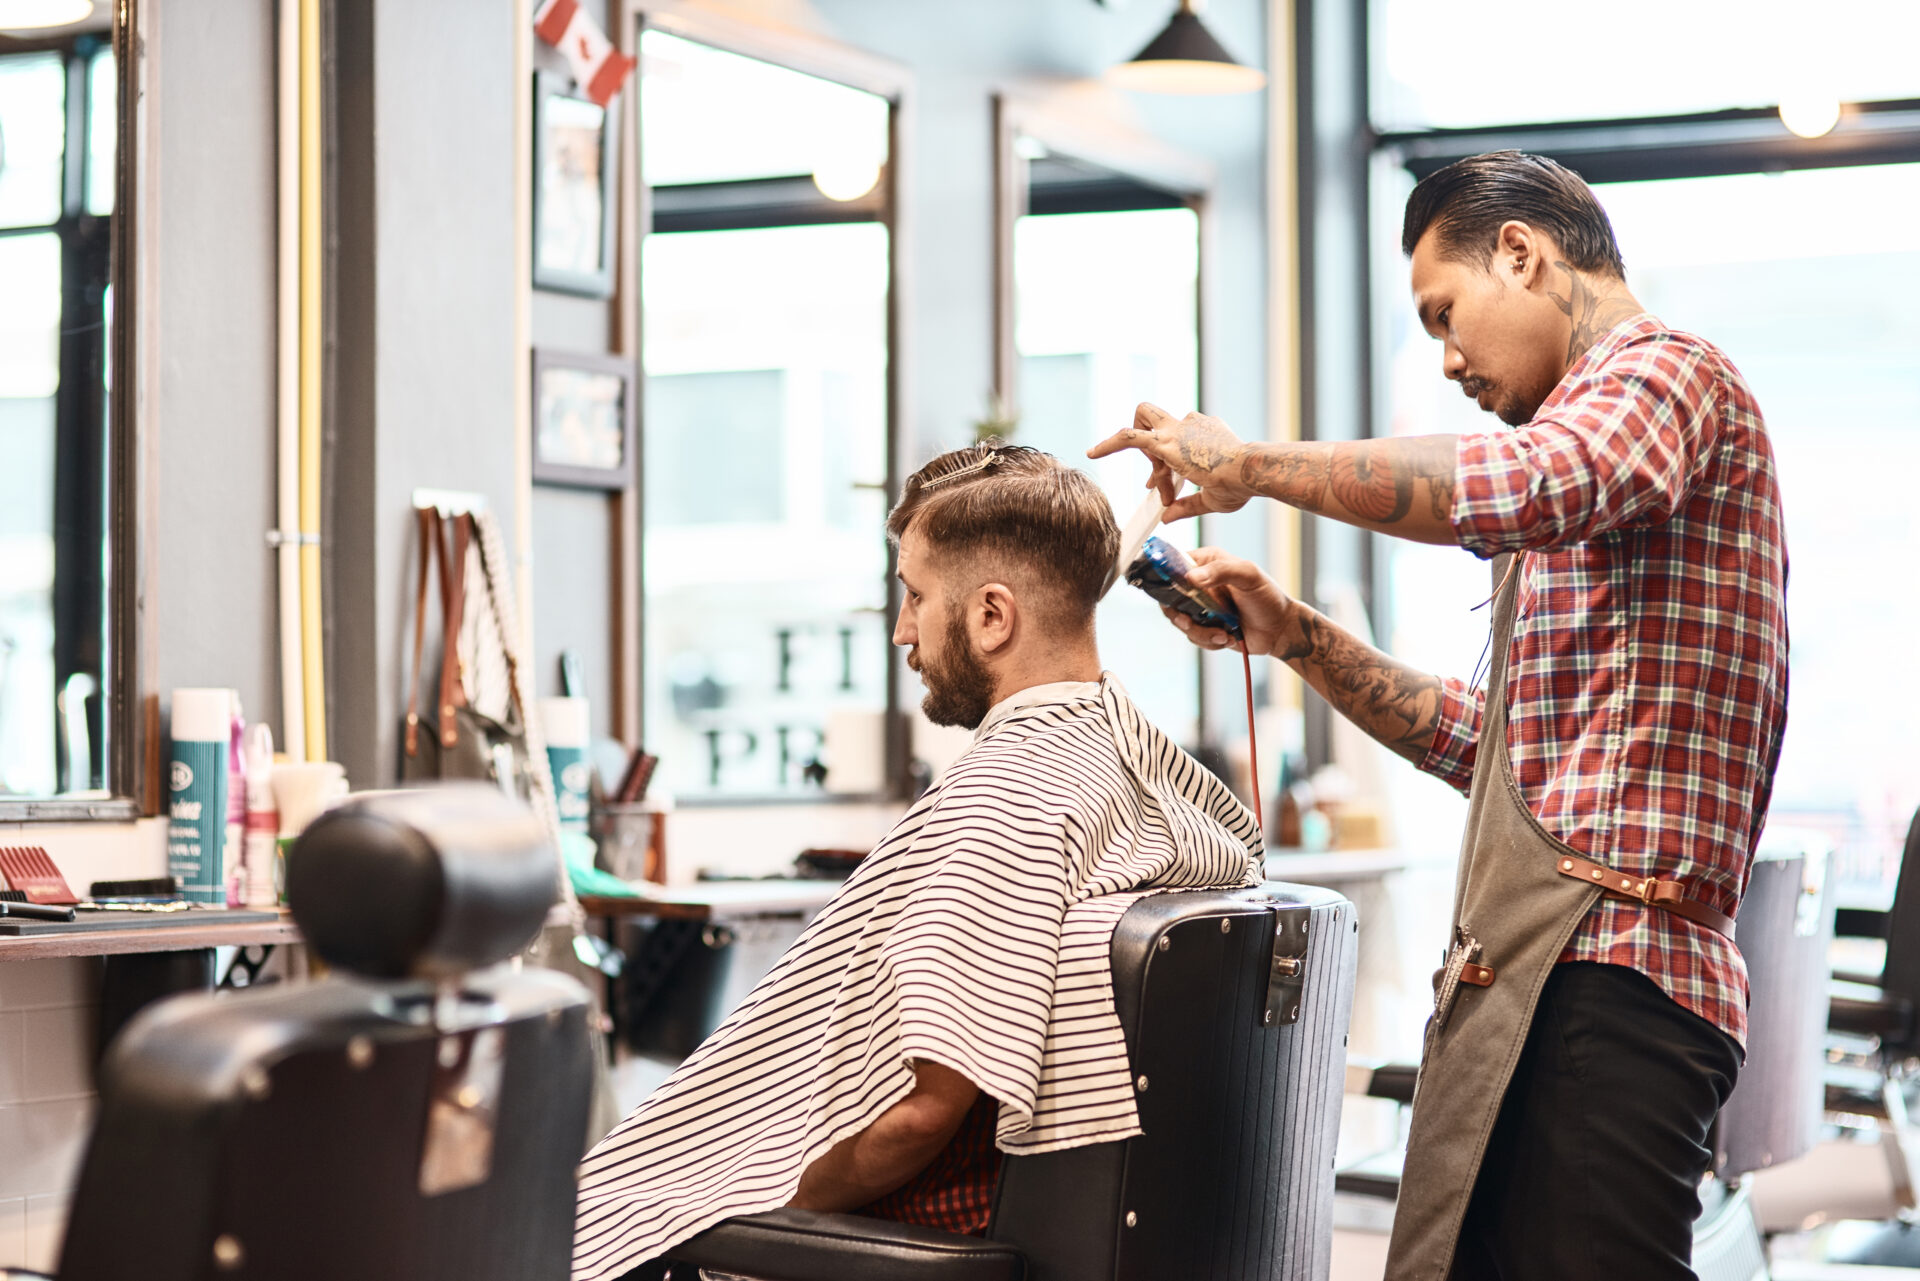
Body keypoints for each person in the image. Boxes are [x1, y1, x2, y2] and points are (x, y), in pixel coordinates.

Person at [1090, 150, 1788, 1281]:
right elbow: (1492, 751)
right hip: (1536, 978)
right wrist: (1297, 634)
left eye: (1445, 316)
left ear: (1522, 252)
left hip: (1611, 979)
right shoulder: (1601, 470)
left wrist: (1254, 463)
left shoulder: (1667, 378)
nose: (1450, 358)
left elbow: (1528, 486)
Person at [572, 443, 1263, 1281]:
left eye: (915, 595)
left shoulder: (1012, 798)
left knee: (593, 1224)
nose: (903, 629)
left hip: (922, 1235)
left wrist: (752, 1206)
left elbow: (918, 1111)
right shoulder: (1135, 766)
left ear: (991, 615)